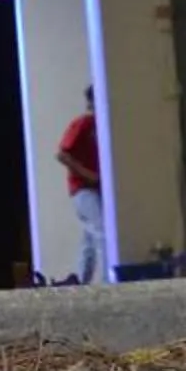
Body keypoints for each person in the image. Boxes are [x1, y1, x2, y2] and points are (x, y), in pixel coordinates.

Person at [58, 86, 105, 285]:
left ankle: (81, 282)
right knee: (101, 231)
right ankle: (109, 280)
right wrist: (88, 175)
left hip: (96, 188)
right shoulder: (84, 124)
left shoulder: (103, 126)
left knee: (88, 239)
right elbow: (62, 154)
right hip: (83, 189)